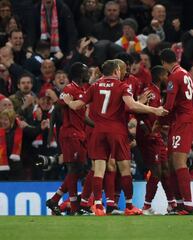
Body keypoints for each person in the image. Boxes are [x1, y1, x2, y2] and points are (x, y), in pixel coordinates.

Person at [63, 59, 168, 216]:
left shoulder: (95, 86)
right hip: (117, 131)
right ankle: (129, 205)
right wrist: (155, 110)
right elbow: (132, 106)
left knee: (98, 169)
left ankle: (98, 206)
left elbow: (77, 106)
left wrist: (68, 102)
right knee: (125, 169)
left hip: (98, 131)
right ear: (116, 71)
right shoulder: (122, 86)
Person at [159, 48, 193, 215]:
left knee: (178, 162)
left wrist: (158, 121)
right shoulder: (187, 75)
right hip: (185, 120)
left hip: (182, 122)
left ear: (163, 63)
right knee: (171, 162)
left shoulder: (173, 77)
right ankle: (181, 203)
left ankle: (188, 205)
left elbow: (168, 106)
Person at [46, 62, 90, 215]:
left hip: (79, 134)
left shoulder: (82, 89)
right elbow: (56, 109)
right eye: (86, 71)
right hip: (70, 134)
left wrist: (97, 125)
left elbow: (82, 116)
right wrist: (51, 132)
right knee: (74, 169)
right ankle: (74, 207)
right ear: (79, 73)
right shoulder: (69, 89)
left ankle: (55, 199)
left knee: (78, 170)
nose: (89, 73)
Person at [138, 65, 175, 215]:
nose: (169, 78)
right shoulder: (150, 93)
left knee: (166, 170)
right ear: (160, 76)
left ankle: (172, 204)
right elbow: (138, 111)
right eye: (167, 75)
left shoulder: (158, 92)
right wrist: (146, 131)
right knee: (157, 171)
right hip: (149, 137)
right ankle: (146, 206)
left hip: (157, 136)